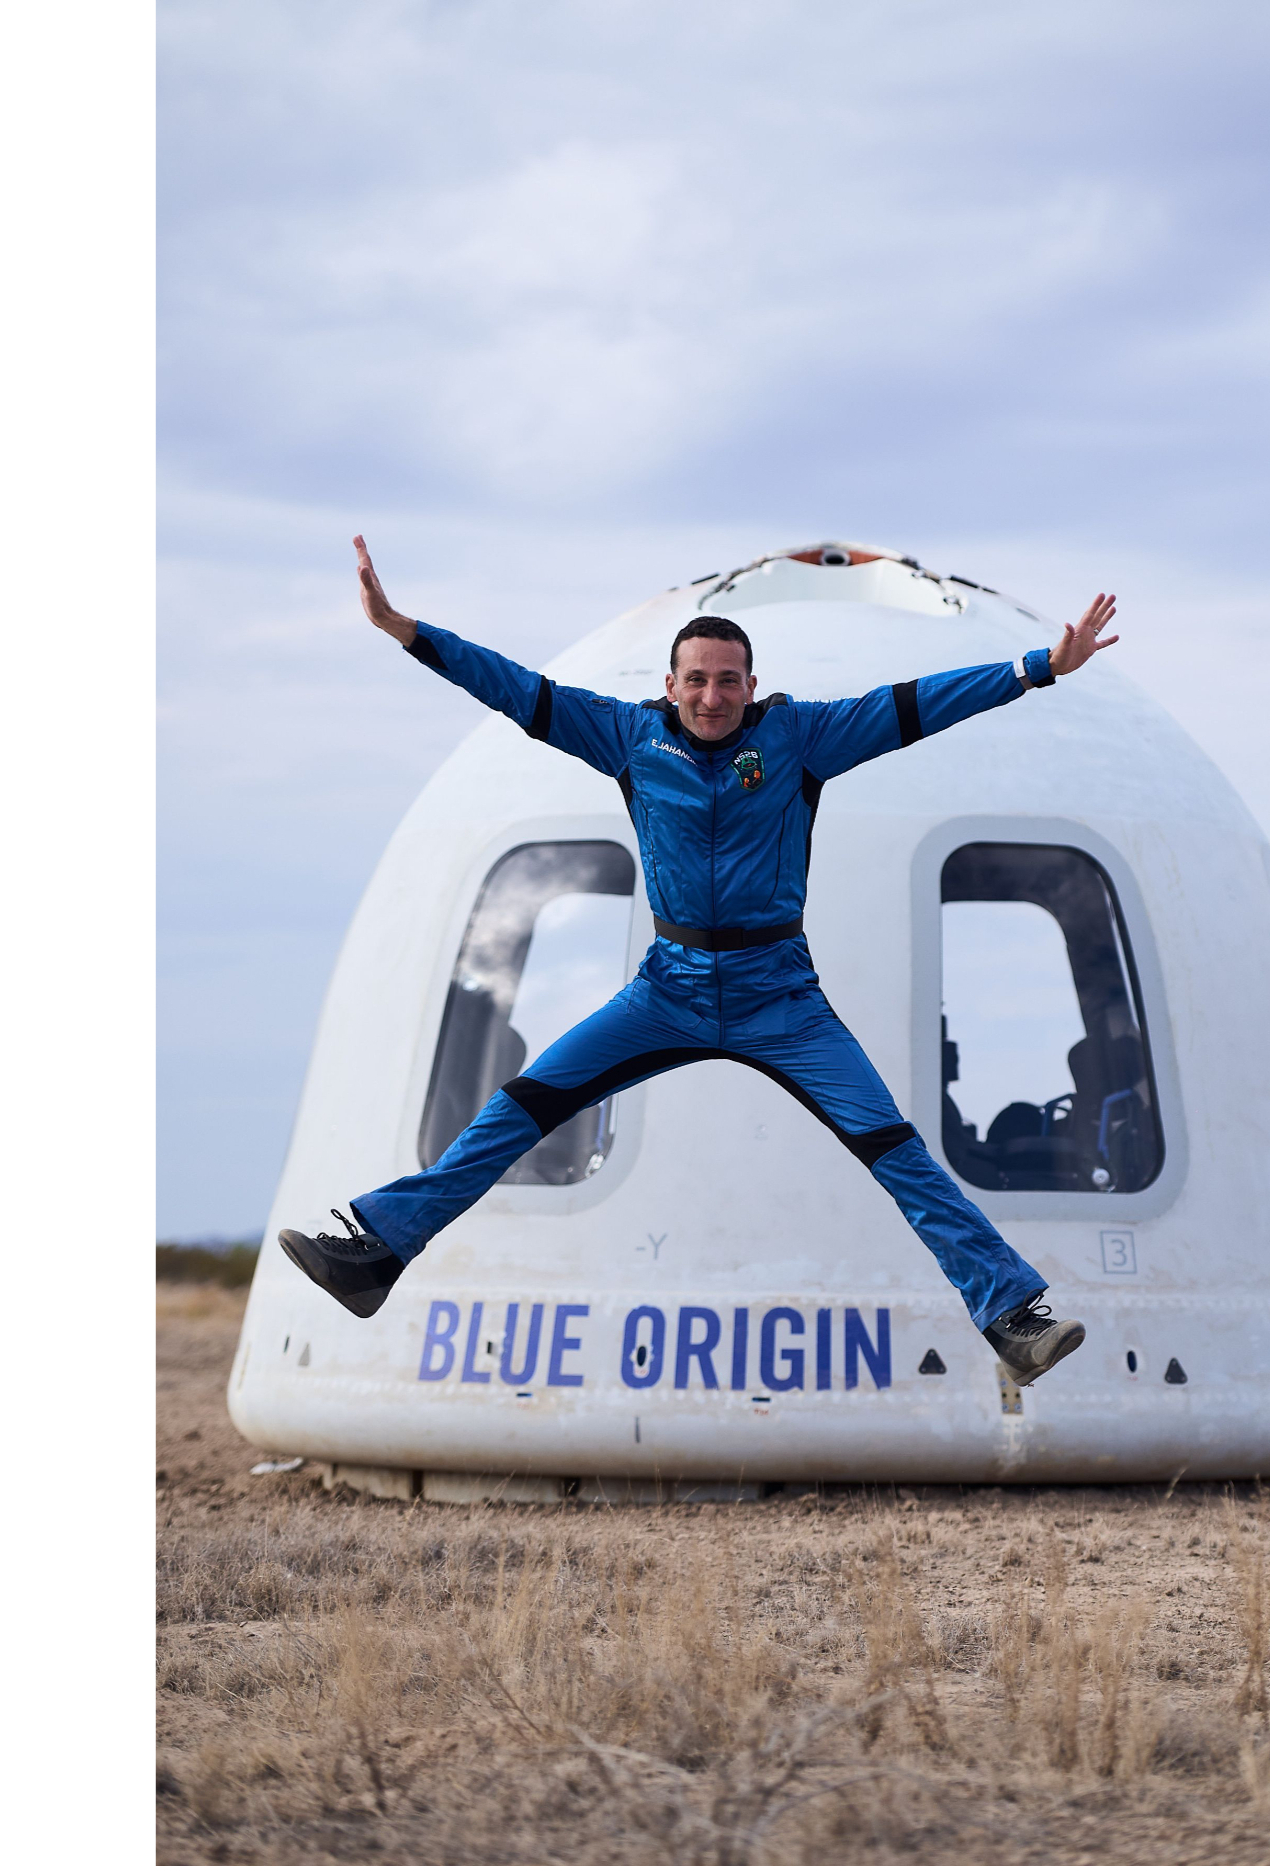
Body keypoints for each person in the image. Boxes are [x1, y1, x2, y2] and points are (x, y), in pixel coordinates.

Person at [278, 536, 1120, 1385]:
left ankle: (1012, 1314)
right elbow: (512, 688)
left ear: (750, 687)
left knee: (895, 1147)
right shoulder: (626, 737)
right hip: (667, 990)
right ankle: (376, 1251)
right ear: (669, 684)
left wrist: (1039, 665)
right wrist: (404, 630)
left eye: (727, 680)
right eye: (696, 679)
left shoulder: (802, 738)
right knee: (517, 1108)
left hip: (779, 995)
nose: (710, 695)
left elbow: (917, 705)